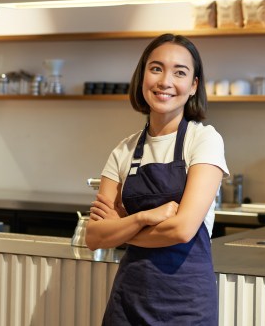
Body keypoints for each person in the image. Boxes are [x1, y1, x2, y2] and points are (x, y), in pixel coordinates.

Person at [85, 33, 229, 325]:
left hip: (186, 304)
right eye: (156, 68)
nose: (165, 81)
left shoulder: (203, 140)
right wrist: (144, 218)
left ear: (193, 86)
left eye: (180, 72)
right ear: (142, 78)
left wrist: (121, 227)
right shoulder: (123, 150)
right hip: (128, 301)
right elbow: (94, 237)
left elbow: (182, 230)